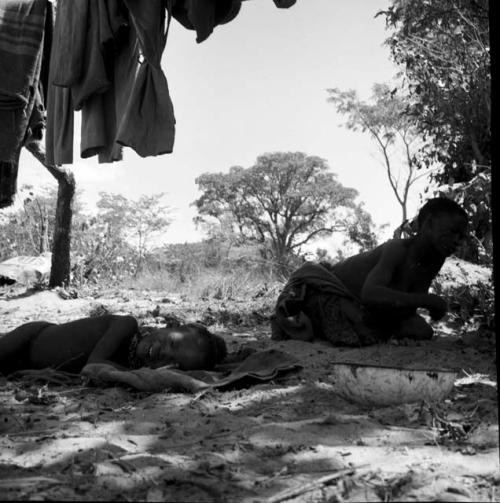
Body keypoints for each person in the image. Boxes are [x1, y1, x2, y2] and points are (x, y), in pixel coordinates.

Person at [271, 197, 468, 346]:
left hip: (375, 309)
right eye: (452, 232)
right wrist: (427, 301)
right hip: (334, 293)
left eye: (461, 236)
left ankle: (378, 326)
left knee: (422, 331)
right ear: (429, 224)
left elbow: (410, 304)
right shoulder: (397, 249)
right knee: (364, 330)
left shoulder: (436, 258)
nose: (457, 241)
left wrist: (424, 305)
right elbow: (370, 293)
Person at [0, 315, 227, 376]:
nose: (163, 353)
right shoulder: (126, 325)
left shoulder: (131, 362)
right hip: (33, 338)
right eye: (171, 343)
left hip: (27, 364)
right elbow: (94, 364)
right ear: (169, 326)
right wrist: (137, 374)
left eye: (173, 363)